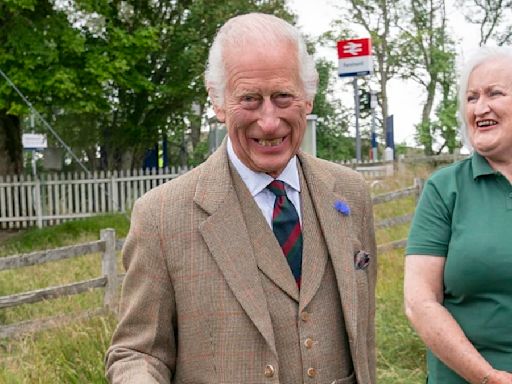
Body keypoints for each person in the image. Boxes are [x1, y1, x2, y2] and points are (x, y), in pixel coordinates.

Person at [106, 12, 377, 384]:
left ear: (308, 97)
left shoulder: (351, 194)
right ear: (218, 102)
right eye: (249, 99)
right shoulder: (160, 216)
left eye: (283, 96)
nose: (269, 121)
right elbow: (137, 353)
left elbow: (362, 339)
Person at [404, 46, 512, 384]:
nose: (481, 107)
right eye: (471, 97)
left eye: (495, 93)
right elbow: (420, 301)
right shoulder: (446, 188)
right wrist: (488, 377)